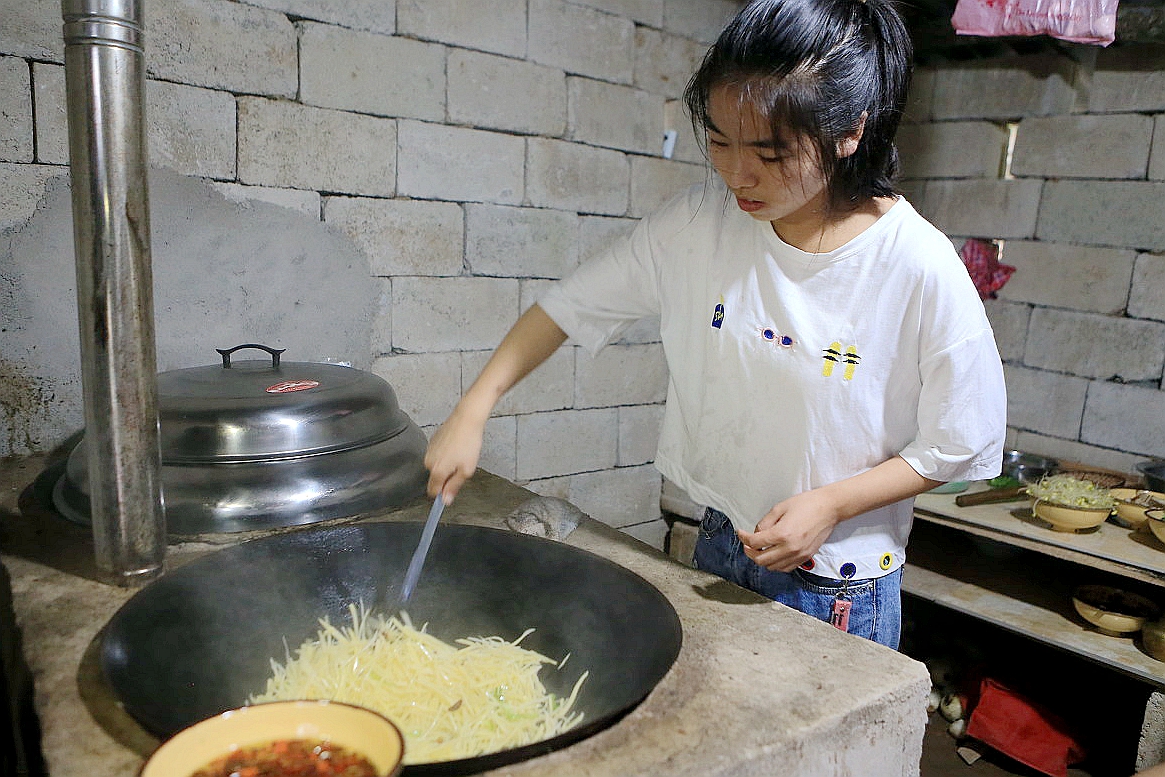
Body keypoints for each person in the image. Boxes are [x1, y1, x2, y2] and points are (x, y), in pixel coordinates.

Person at [424, 0, 1007, 649]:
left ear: (849, 132)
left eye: (769, 151)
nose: (736, 174)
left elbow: (962, 439)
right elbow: (566, 308)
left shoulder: (914, 264)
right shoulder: (700, 222)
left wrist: (832, 503)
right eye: (721, 141)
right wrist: (473, 406)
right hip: (720, 538)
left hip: (836, 580)